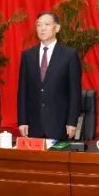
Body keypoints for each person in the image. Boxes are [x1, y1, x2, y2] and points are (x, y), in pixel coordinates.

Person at [18, 11, 81, 140]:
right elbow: (23, 91)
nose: (42, 28)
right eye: (39, 25)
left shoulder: (69, 55)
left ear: (57, 28)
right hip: (33, 124)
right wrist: (22, 121)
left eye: (47, 24)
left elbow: (75, 92)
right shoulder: (28, 55)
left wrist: (72, 122)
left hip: (59, 123)